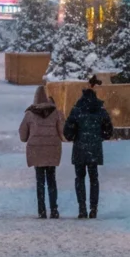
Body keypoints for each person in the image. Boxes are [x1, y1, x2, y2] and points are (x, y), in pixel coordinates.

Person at [63, 76, 113, 219]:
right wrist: (99, 137)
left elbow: (68, 130)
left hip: (79, 148)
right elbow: (108, 129)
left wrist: (73, 137)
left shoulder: (77, 109)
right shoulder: (100, 109)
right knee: (94, 178)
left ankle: (82, 208)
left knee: (79, 178)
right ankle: (94, 208)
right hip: (94, 148)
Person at [19, 84, 65, 219]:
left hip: (36, 150)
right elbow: (62, 133)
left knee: (40, 181)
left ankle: (42, 210)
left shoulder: (30, 114)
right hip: (52, 150)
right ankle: (54, 209)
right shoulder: (55, 113)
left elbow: (23, 135)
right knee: (52, 180)